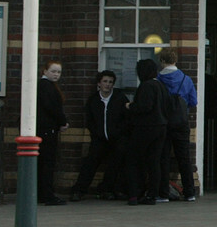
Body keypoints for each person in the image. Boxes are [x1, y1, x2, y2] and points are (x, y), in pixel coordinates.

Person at [73, 70, 129, 201]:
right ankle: (79, 190)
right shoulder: (93, 100)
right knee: (90, 162)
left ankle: (108, 189)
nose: (107, 85)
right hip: (99, 138)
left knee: (115, 163)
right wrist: (96, 133)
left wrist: (119, 132)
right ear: (99, 83)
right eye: (105, 81)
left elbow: (127, 118)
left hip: (116, 138)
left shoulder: (119, 98)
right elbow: (90, 120)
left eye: (110, 82)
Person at [127, 58, 171, 206]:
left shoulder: (146, 86)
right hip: (161, 127)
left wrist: (130, 107)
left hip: (145, 128)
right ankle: (152, 194)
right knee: (154, 162)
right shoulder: (161, 86)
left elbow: (145, 107)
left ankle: (134, 194)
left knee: (134, 160)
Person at [157, 50, 198, 202]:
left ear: (162, 60)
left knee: (163, 158)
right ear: (175, 61)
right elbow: (193, 101)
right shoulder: (186, 79)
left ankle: (163, 193)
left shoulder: (158, 80)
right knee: (184, 158)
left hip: (163, 123)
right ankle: (189, 192)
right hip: (181, 123)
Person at [35, 61, 69, 206]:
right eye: (53, 71)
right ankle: (47, 195)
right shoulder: (46, 86)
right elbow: (52, 107)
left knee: (43, 163)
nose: (56, 75)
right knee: (47, 164)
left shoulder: (45, 86)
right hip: (47, 130)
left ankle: (43, 193)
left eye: (59, 72)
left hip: (44, 129)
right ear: (45, 71)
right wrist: (62, 121)